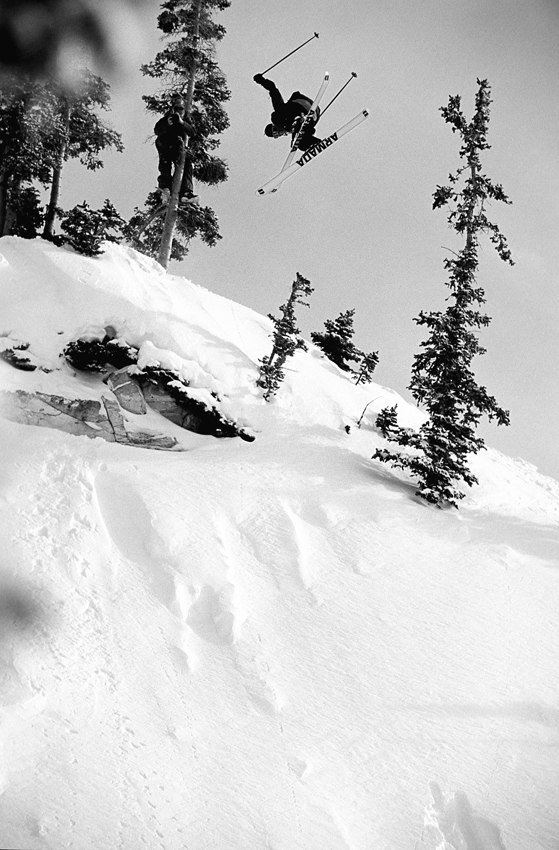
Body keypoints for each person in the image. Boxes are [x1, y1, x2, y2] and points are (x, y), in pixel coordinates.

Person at [253, 74, 321, 151]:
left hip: (303, 105)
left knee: (280, 119)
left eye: (275, 130)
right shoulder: (292, 129)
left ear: (274, 125)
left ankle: (301, 118)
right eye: (276, 135)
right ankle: (313, 144)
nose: (279, 133)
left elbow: (273, 90)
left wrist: (262, 81)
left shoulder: (280, 114)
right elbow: (309, 130)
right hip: (314, 116)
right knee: (300, 143)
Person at [154, 95, 199, 205]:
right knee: (165, 164)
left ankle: (186, 192)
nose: (178, 112)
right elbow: (157, 130)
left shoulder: (185, 120)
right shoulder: (166, 119)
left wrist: (182, 123)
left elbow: (192, 132)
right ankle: (165, 188)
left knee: (187, 165)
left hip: (178, 148)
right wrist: (167, 123)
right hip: (165, 145)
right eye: (176, 109)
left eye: (181, 109)